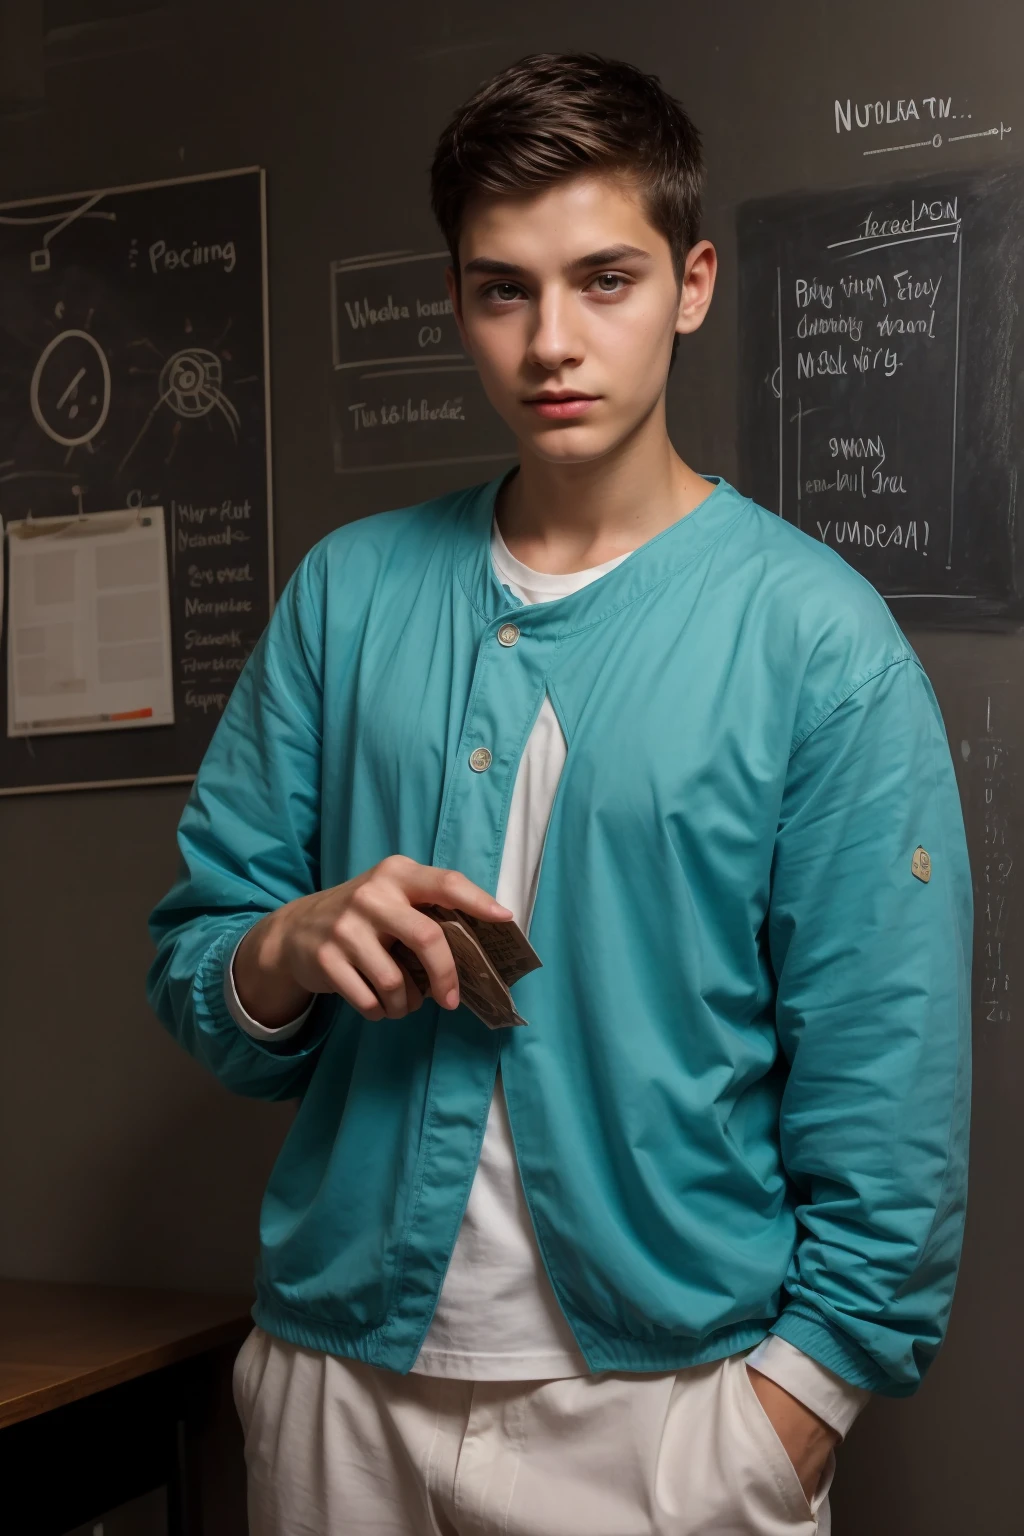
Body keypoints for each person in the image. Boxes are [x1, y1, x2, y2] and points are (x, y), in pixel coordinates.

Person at [147, 50, 973, 1536]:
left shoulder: (816, 638)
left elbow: (888, 1066)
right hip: (342, 1388)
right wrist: (288, 944)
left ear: (693, 282)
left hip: (669, 1415)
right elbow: (201, 959)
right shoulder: (345, 596)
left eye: (605, 279)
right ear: (459, 300)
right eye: (502, 290)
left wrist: (800, 1403)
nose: (553, 342)